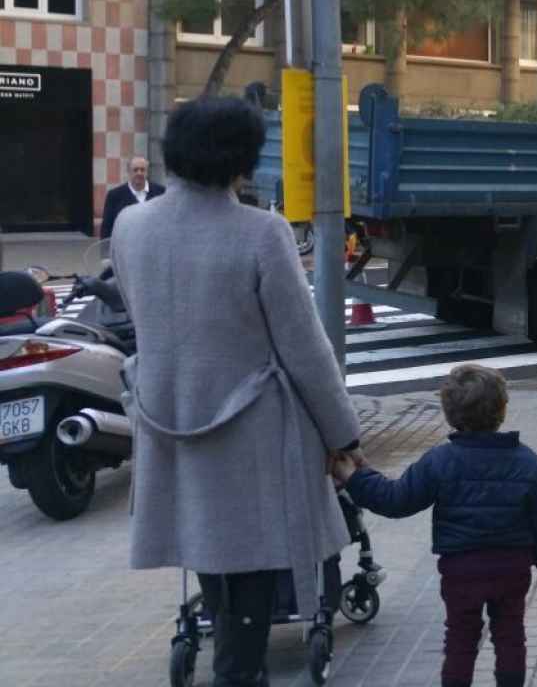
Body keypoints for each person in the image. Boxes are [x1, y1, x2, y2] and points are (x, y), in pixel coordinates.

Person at [112, 96, 363, 686]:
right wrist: (343, 433)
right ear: (241, 159)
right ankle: (237, 674)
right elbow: (305, 349)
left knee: (210, 558)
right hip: (250, 433)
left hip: (170, 421)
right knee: (250, 566)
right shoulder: (260, 232)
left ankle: (236, 667)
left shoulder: (131, 226)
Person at [334, 364, 537, 687]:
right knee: (511, 635)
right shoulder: (527, 461)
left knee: (460, 640)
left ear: (449, 413)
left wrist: (355, 477)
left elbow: (396, 500)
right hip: (511, 567)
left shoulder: (440, 461)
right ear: (502, 409)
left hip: (461, 568)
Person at [100, 156, 166, 239]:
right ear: (128, 172)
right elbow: (107, 228)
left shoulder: (161, 192)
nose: (139, 173)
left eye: (142, 170)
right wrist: (106, 251)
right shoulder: (114, 195)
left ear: (147, 172)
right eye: (135, 170)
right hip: (125, 247)